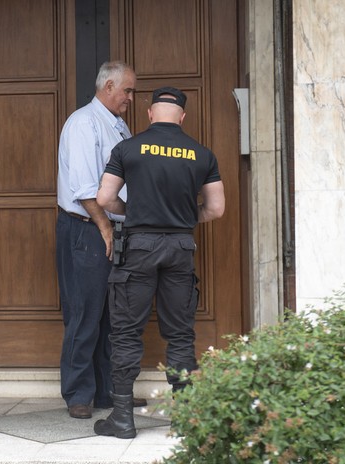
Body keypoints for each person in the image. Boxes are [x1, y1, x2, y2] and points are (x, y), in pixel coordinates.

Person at [93, 87, 225, 438]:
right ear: (182, 117)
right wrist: (184, 217)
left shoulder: (128, 148)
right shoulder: (202, 154)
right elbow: (216, 208)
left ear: (150, 114)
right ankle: (185, 418)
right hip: (180, 246)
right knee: (180, 333)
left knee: (125, 332)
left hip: (138, 246)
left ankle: (122, 418)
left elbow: (105, 198)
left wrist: (131, 212)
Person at [56, 60, 146, 419]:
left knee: (111, 315)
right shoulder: (83, 124)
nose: (130, 97)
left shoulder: (118, 125)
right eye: (127, 90)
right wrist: (105, 227)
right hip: (85, 229)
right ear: (108, 87)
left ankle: (109, 392)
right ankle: (79, 394)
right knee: (84, 312)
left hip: (108, 228)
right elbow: (83, 187)